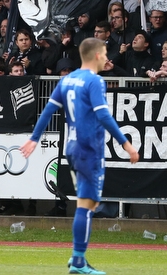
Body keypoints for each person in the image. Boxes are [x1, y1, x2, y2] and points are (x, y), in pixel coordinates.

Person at [22, 38, 140, 275]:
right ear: (96, 55)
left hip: (73, 147)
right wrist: (126, 144)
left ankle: (78, 258)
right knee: (87, 205)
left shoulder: (67, 79)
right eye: (105, 53)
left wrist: (34, 138)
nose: (108, 59)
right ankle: (78, 261)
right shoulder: (94, 81)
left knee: (85, 203)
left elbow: (48, 110)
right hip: (89, 149)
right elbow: (104, 116)